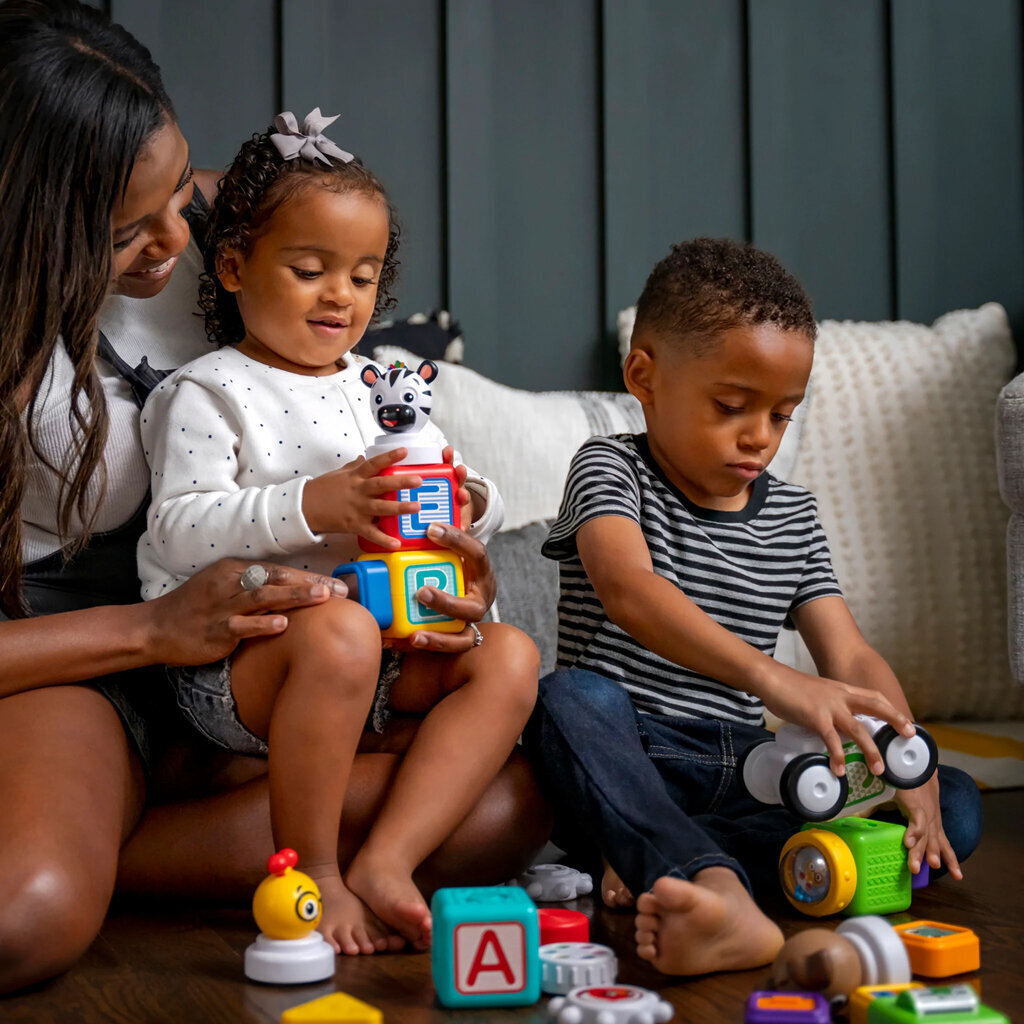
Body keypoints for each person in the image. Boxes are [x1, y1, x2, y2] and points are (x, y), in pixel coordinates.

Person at [0, 0, 548, 994]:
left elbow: (330, 258)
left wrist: (446, 559)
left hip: (274, 650)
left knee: (505, 806)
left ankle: (185, 836)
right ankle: (101, 842)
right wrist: (153, 632)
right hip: (83, 663)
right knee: (25, 918)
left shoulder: (230, 226)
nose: (184, 236)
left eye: (183, 193)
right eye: (132, 229)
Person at [136, 109, 539, 955]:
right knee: (343, 635)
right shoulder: (206, 392)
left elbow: (445, 477)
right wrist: (312, 506)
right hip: (243, 663)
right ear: (237, 266)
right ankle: (311, 868)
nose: (340, 296)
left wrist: (471, 509)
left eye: (362, 276)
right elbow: (177, 531)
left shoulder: (383, 383)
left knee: (510, 657)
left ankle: (388, 861)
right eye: (311, 269)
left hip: (385, 644)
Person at [522, 238, 982, 977]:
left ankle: (667, 860)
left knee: (953, 806)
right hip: (638, 753)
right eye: (732, 407)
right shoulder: (610, 467)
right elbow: (630, 592)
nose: (759, 437)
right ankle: (712, 878)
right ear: (644, 375)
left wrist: (906, 754)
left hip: (754, 769)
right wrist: (775, 679)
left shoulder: (795, 515)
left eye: (782, 415)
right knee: (564, 700)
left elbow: (851, 655)